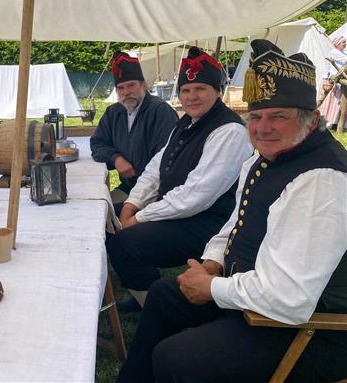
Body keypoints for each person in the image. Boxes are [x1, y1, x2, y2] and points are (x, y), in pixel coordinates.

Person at [119, 39, 347, 383]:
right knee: (166, 295)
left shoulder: (322, 179)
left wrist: (212, 288)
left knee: (176, 358)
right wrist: (214, 262)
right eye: (255, 116)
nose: (262, 127)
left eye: (278, 116)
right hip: (254, 301)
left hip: (308, 329)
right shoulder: (265, 157)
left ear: (311, 120)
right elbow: (235, 222)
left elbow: (289, 297)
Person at [107, 47, 253, 313]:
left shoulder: (230, 131)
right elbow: (155, 168)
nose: (191, 96)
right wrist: (131, 205)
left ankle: (157, 305)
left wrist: (138, 218)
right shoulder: (186, 122)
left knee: (124, 243)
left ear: (217, 91)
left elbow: (196, 196)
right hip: (179, 212)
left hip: (208, 223)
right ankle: (144, 292)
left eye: (200, 89)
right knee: (106, 219)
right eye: (186, 90)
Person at [91, 51, 178, 215]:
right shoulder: (113, 113)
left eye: (131, 85)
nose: (126, 92)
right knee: (98, 210)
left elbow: (167, 158)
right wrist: (116, 159)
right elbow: (97, 144)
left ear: (143, 85)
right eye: (121, 88)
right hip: (128, 187)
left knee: (107, 216)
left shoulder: (160, 112)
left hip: (156, 193)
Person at [318, 35, 347, 132]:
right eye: (343, 42)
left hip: (339, 80)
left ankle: (333, 122)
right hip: (332, 80)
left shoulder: (342, 52)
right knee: (329, 103)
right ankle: (326, 122)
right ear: (337, 43)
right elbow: (345, 60)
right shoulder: (334, 52)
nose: (345, 44)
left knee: (337, 104)